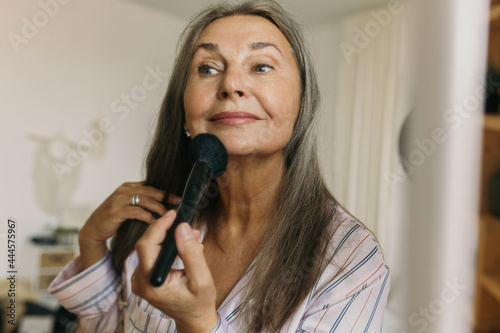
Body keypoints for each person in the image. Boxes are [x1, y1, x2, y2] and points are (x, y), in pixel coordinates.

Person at [48, 0, 391, 332]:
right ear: (184, 111)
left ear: (302, 101)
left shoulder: (351, 260)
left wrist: (197, 324)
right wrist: (91, 245)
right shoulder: (153, 226)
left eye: (261, 66)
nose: (231, 85)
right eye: (208, 68)